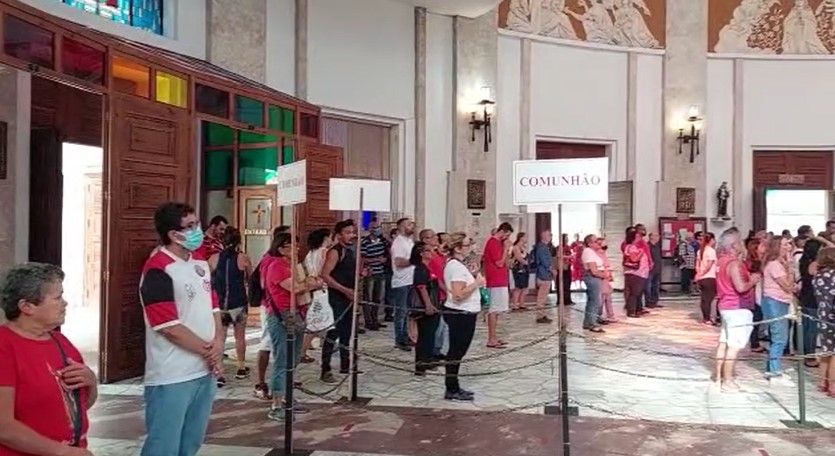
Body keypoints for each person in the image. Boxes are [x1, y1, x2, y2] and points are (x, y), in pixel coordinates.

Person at [139, 202, 222, 456]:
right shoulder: (158, 268)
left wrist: (219, 343)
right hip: (172, 374)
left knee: (191, 443)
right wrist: (209, 351)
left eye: (197, 223)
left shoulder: (200, 262)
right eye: (190, 226)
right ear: (174, 234)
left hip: (204, 370)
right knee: (163, 446)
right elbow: (168, 327)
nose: (198, 230)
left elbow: (213, 306)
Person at [0, 263, 97, 456]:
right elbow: (4, 427)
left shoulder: (61, 341)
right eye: (58, 297)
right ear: (27, 307)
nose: (65, 303)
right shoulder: (5, 347)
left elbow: (80, 406)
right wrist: (63, 452)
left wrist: (91, 381)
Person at [262, 232, 324, 420]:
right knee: (283, 359)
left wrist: (309, 282)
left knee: (293, 359)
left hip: (296, 313)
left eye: (297, 245)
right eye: (292, 246)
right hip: (282, 315)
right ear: (281, 248)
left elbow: (304, 282)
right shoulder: (276, 265)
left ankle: (287, 397)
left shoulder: (292, 265)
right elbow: (295, 288)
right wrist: (311, 284)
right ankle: (276, 404)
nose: (296, 249)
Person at [713, 228, 760, 392]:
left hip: (725, 305)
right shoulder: (733, 263)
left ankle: (717, 376)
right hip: (737, 307)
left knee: (724, 342)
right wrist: (753, 281)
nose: (742, 244)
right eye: (740, 241)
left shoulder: (720, 261)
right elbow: (740, 287)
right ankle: (728, 381)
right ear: (733, 245)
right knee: (734, 345)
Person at [442, 233, 484, 401]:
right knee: (456, 351)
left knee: (458, 351)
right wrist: (476, 283)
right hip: (461, 313)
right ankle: (451, 388)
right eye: (467, 245)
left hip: (464, 312)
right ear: (458, 248)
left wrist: (472, 275)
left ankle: (454, 386)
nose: (470, 248)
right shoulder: (456, 267)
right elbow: (458, 294)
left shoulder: (458, 265)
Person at [208, 227, 252, 386]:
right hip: (238, 302)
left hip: (219, 304)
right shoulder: (243, 258)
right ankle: (241, 368)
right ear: (238, 240)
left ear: (222, 240)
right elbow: (250, 278)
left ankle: (219, 373)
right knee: (240, 336)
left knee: (220, 338)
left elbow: (207, 280)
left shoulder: (213, 258)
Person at [253, 225, 290, 400]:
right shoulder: (269, 260)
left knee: (281, 348)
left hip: (284, 309)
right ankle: (261, 383)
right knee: (267, 345)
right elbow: (265, 284)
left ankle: (282, 382)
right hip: (272, 308)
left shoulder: (284, 260)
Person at [320, 220, 358, 384]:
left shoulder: (350, 251)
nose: (351, 235)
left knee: (347, 331)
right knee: (333, 332)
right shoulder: (335, 252)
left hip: (349, 296)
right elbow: (325, 275)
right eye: (347, 232)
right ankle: (325, 368)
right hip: (337, 297)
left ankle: (345, 363)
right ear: (339, 235)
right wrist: (344, 290)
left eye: (352, 232)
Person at [761, 235, 795, 386]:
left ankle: (773, 369)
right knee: (779, 338)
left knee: (780, 337)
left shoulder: (780, 263)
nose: (789, 247)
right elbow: (787, 286)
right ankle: (775, 373)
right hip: (774, 301)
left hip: (781, 301)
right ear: (777, 247)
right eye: (785, 244)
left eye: (789, 244)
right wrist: (791, 268)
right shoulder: (774, 264)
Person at [410, 241, 442, 376]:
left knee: (430, 334)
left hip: (434, 304)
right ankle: (420, 365)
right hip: (425, 307)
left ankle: (428, 360)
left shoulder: (428, 268)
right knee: (425, 335)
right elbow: (421, 287)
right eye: (428, 250)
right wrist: (428, 305)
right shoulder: (420, 269)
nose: (432, 252)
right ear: (421, 254)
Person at [302, 228, 332, 363]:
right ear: (325, 238)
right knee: (317, 321)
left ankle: (325, 344)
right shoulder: (325, 252)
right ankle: (302, 351)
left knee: (320, 320)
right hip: (322, 286)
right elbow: (325, 270)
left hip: (312, 285)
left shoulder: (310, 253)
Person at [483, 223, 514, 348]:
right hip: (495, 280)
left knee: (498, 310)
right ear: (502, 231)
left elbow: (506, 262)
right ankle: (491, 338)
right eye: (507, 235)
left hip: (501, 280)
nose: (507, 238)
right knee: (494, 310)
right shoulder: (493, 243)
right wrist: (506, 248)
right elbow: (499, 263)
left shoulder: (499, 244)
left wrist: (507, 250)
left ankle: (494, 336)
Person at [390, 218, 416, 351]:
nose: (412, 226)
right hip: (401, 282)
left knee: (407, 312)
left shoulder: (409, 241)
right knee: (401, 312)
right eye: (409, 224)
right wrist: (415, 260)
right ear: (401, 227)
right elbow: (399, 262)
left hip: (410, 280)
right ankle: (399, 339)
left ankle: (406, 336)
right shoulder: (399, 242)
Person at [813, 246, 835, 397]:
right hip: (833, 315)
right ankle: (833, 385)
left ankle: (822, 382)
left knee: (826, 349)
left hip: (823, 315)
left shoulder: (818, 276)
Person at [799, 238, 823, 367]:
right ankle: (810, 356)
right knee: (811, 330)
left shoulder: (803, 261)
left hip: (805, 296)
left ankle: (805, 353)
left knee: (806, 327)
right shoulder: (814, 264)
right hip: (812, 298)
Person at [361, 221, 388, 331]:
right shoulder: (365, 242)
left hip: (380, 272)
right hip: (370, 273)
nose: (376, 229)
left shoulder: (382, 241)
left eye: (377, 227)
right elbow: (363, 259)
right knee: (368, 297)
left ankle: (375, 319)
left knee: (377, 298)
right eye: (374, 227)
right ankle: (368, 321)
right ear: (369, 229)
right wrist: (376, 260)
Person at [581, 234, 606, 332]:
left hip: (595, 278)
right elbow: (594, 270)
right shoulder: (588, 252)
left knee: (593, 300)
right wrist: (604, 275)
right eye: (596, 241)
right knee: (595, 301)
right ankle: (592, 323)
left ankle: (588, 322)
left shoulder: (592, 252)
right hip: (592, 278)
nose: (598, 243)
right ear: (590, 243)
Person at [623, 228, 650, 318]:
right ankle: (631, 311)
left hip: (640, 273)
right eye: (637, 237)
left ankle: (638, 309)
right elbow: (634, 259)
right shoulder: (632, 247)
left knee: (638, 292)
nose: (640, 238)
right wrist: (641, 253)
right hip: (635, 273)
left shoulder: (634, 247)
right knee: (634, 292)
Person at [532, 231, 556, 321]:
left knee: (543, 296)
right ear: (543, 236)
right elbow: (544, 261)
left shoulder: (544, 247)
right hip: (544, 275)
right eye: (549, 235)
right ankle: (540, 315)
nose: (551, 237)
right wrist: (551, 269)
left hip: (544, 274)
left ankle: (541, 314)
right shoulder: (542, 247)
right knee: (542, 297)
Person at [696, 232, 718, 325]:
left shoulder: (700, 250)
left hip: (701, 278)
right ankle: (708, 318)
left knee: (704, 299)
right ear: (711, 240)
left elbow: (697, 264)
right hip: (709, 277)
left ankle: (705, 318)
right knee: (709, 299)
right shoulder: (711, 251)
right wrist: (703, 273)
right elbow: (710, 265)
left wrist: (699, 274)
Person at [510, 233, 531, 312]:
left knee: (524, 287)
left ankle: (522, 304)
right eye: (525, 237)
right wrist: (527, 263)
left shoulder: (524, 247)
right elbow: (519, 258)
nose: (527, 239)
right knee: (518, 287)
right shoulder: (516, 247)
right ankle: (515, 304)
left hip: (525, 269)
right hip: (518, 269)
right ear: (521, 238)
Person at [645, 232, 663, 308]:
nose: (658, 237)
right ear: (651, 237)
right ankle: (649, 302)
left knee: (656, 286)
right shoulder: (647, 246)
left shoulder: (657, 246)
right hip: (650, 269)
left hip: (657, 269)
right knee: (648, 286)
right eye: (656, 235)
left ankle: (655, 301)